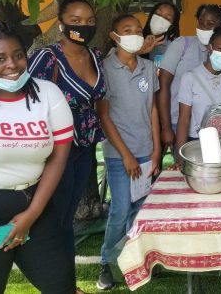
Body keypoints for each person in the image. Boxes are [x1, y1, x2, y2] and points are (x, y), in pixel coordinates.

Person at [0, 20, 75, 293]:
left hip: (35, 203)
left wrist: (31, 215)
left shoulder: (47, 94)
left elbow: (58, 158)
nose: (12, 65)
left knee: (61, 286)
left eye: (18, 55)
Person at [28, 0, 106, 282]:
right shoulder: (47, 58)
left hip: (85, 146)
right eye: (76, 20)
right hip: (56, 150)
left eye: (89, 21)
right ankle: (56, 280)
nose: (83, 26)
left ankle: (64, 281)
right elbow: (28, 100)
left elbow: (98, 100)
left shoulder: (95, 55)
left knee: (67, 217)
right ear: (61, 24)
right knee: (55, 218)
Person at [96, 15, 161, 290]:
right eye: (127, 30)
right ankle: (108, 263)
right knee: (120, 210)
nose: (134, 34)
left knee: (140, 209)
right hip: (119, 154)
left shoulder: (148, 67)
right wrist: (125, 155)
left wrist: (157, 150)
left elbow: (153, 108)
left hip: (146, 151)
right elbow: (104, 115)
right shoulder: (105, 69)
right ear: (114, 36)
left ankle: (135, 261)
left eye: (138, 30)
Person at [158, 4, 221, 159]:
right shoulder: (182, 45)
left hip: (214, 128)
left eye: (210, 24)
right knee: (182, 163)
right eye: (201, 23)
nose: (203, 28)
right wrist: (166, 126)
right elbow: (163, 84)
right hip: (177, 122)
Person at [175, 28, 221, 163]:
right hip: (197, 142)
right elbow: (183, 119)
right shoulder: (190, 78)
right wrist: (180, 157)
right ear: (210, 47)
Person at [142, 1, 181, 68]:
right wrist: (140, 51)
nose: (160, 19)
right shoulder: (135, 38)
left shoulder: (173, 47)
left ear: (171, 26)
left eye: (167, 18)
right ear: (151, 16)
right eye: (158, 13)